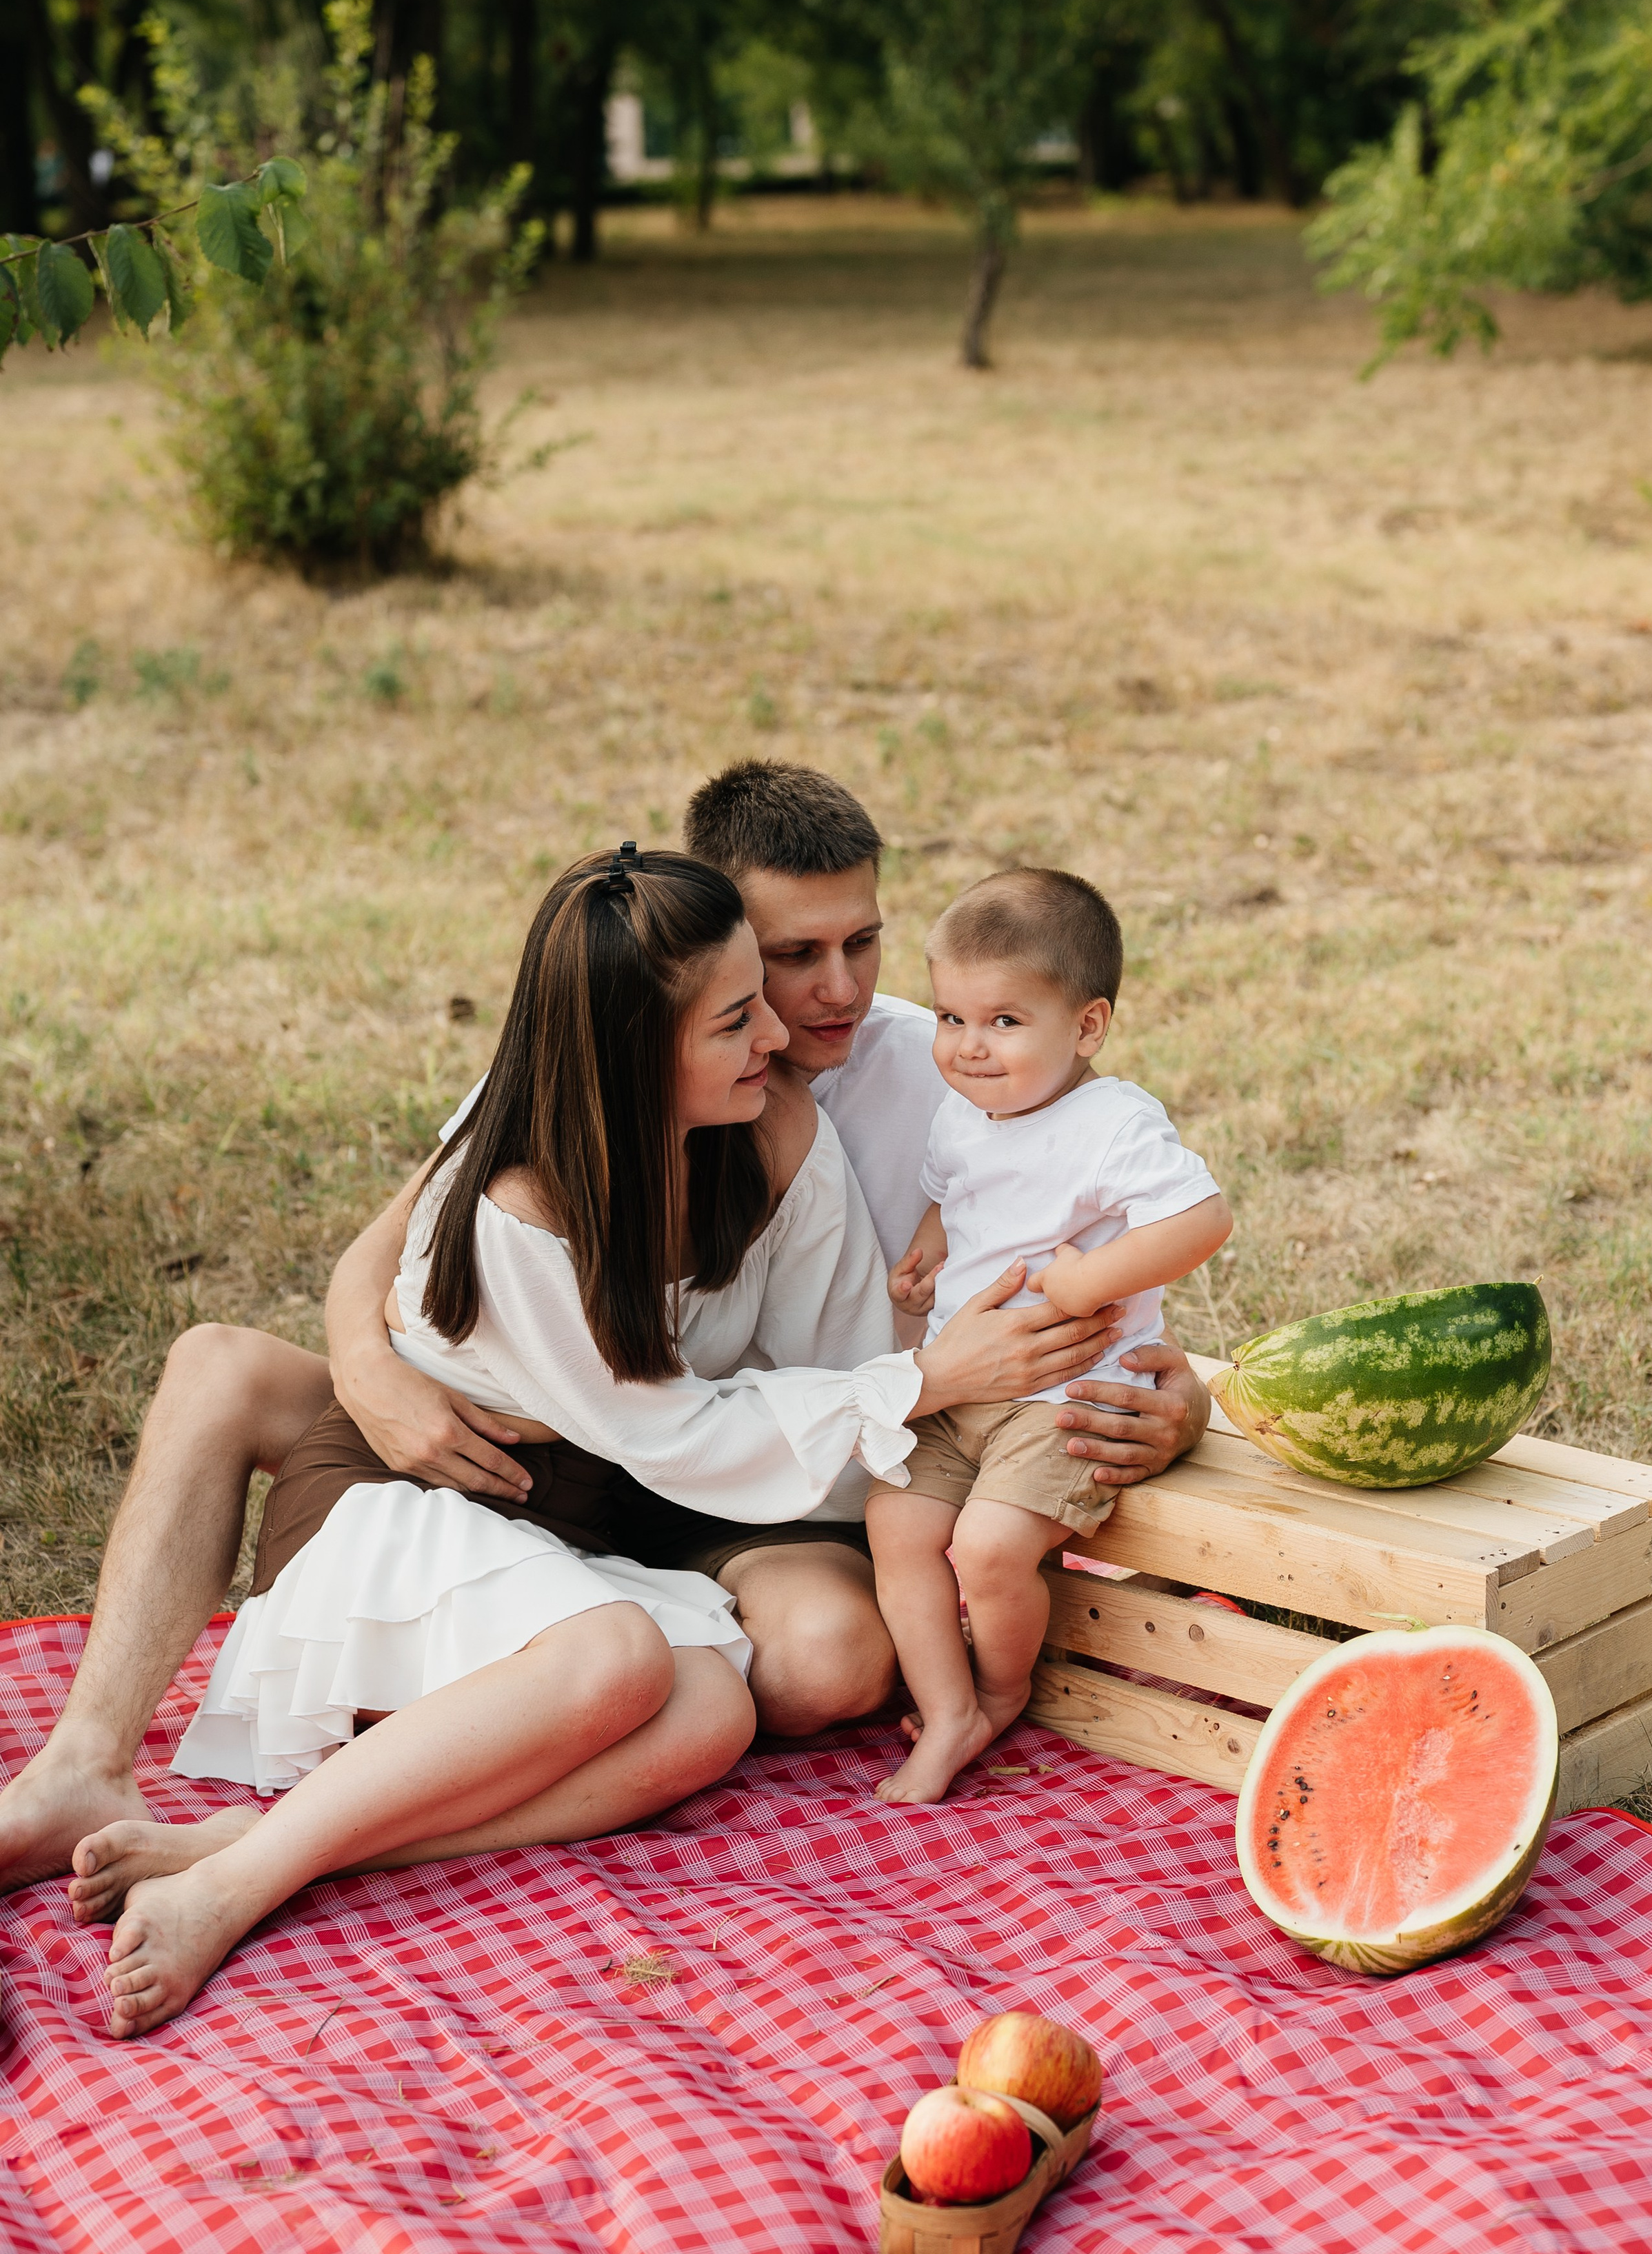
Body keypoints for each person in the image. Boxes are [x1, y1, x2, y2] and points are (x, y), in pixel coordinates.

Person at [0, 763, 1209, 1898]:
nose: (831, 996)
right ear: (689, 951)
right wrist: (368, 1368)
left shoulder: (960, 1054)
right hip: (557, 1449)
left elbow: (1098, 1237)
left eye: (864, 941)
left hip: (744, 1471)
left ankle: (372, 1790)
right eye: (788, 961)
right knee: (220, 1362)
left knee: (820, 1662)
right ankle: (84, 1763)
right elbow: (419, 1238)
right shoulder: (580, 1065)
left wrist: (1157, 1398)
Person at [867, 871, 1233, 1803]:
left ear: (1087, 1027)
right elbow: (957, 1197)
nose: (967, 1048)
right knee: (896, 1522)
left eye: (1003, 1022)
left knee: (988, 1549)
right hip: (961, 1390)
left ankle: (1000, 1691)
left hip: (1065, 1395)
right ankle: (947, 1708)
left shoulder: (1111, 1123)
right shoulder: (965, 1112)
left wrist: (1087, 1281)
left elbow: (1201, 1218)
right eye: (950, 1018)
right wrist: (925, 1252)